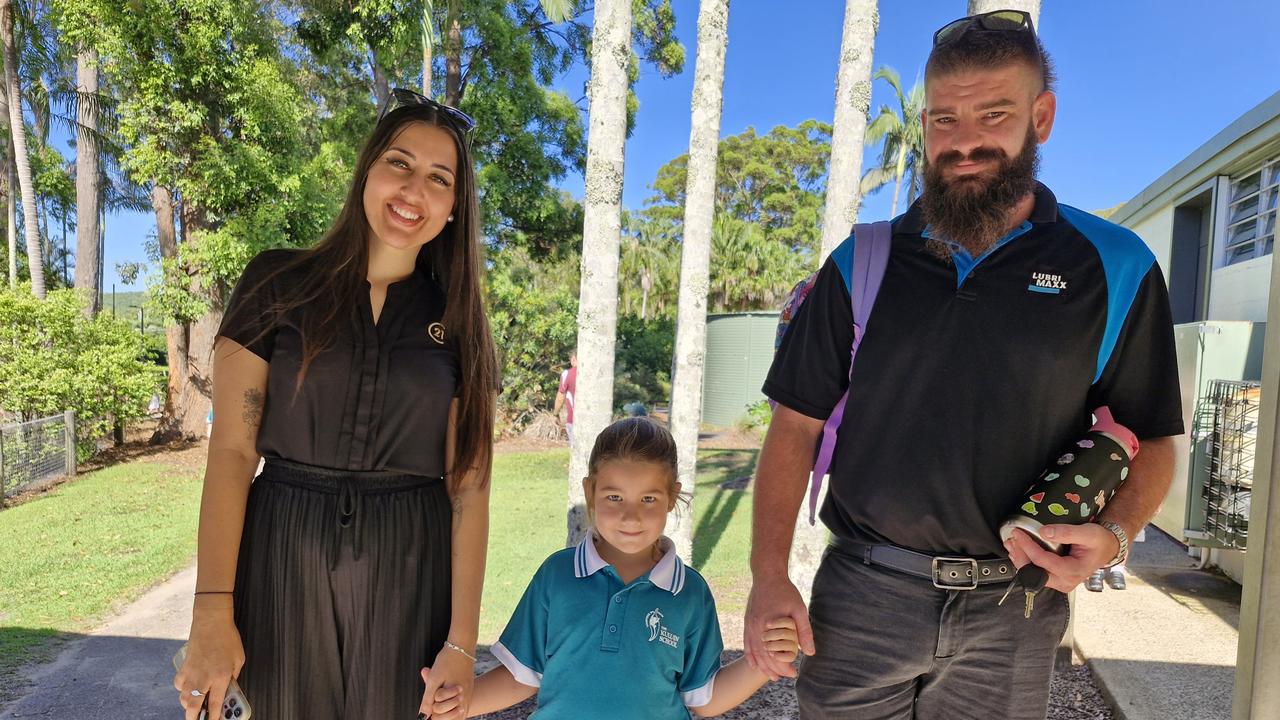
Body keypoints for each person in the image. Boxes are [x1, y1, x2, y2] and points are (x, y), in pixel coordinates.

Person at [743, 10, 1184, 720]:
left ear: (1040, 117)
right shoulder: (862, 262)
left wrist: (1116, 536)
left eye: (993, 114)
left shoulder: (1116, 267)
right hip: (862, 596)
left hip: (1016, 606)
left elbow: (1154, 436)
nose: (964, 142)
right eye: (943, 119)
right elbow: (794, 426)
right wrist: (768, 576)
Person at [172, 88, 498, 720]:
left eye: (439, 178)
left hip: (410, 559)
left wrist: (461, 643)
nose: (413, 191)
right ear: (367, 170)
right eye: (399, 164)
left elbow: (470, 488)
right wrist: (212, 611)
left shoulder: (459, 320)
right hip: (283, 544)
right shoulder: (278, 282)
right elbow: (234, 452)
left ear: (454, 206)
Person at [427, 417, 800, 719]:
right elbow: (522, 676)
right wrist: (462, 705)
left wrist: (764, 664)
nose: (630, 516)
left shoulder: (689, 593)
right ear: (590, 492)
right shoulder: (557, 576)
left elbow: (703, 698)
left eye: (649, 498)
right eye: (614, 497)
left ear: (672, 498)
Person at [554, 351, 577, 444]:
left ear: (573, 359)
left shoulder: (567, 374)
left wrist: (555, 414)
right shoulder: (593, 374)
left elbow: (560, 397)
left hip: (574, 421)